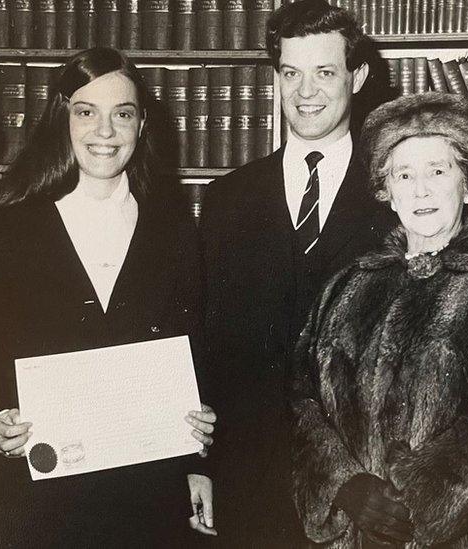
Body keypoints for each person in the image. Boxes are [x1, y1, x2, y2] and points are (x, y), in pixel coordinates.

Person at [0, 47, 217, 547]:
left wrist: (198, 447)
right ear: (61, 118)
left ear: (142, 126)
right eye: (87, 112)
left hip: (143, 501)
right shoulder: (9, 227)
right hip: (33, 504)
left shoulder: (174, 229)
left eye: (123, 114)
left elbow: (195, 350)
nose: (105, 132)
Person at [290, 93, 468, 548]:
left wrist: (409, 506)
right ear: (385, 190)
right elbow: (301, 402)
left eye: (438, 171)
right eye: (404, 174)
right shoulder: (345, 286)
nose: (421, 190)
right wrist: (347, 487)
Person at [199, 0, 395, 545]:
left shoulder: (398, 196)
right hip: (249, 482)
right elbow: (206, 346)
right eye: (292, 73)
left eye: (325, 73)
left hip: (363, 491)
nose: (306, 92)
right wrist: (199, 466)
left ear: (357, 77)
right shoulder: (226, 200)